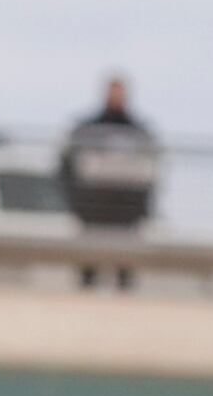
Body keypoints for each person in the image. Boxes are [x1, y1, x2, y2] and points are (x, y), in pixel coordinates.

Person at [57, 73, 163, 289]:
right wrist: (73, 201)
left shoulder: (139, 132)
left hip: (127, 212)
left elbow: (152, 170)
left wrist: (144, 208)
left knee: (125, 271)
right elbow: (66, 166)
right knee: (88, 270)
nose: (116, 97)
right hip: (92, 209)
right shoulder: (87, 129)